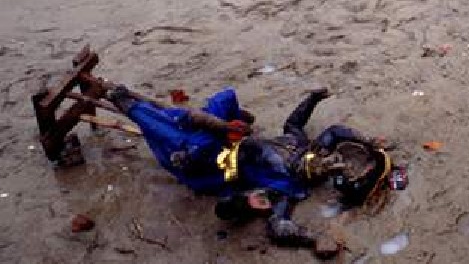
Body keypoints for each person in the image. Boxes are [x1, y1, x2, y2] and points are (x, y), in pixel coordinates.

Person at [107, 86, 396, 253]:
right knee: (225, 98)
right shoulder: (300, 143)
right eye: (329, 159)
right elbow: (308, 125)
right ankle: (219, 118)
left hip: (208, 165)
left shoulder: (284, 189)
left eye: (328, 169)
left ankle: (130, 106)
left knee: (180, 138)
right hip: (224, 138)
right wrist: (313, 99)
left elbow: (277, 226)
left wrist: (311, 239)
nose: (326, 162)